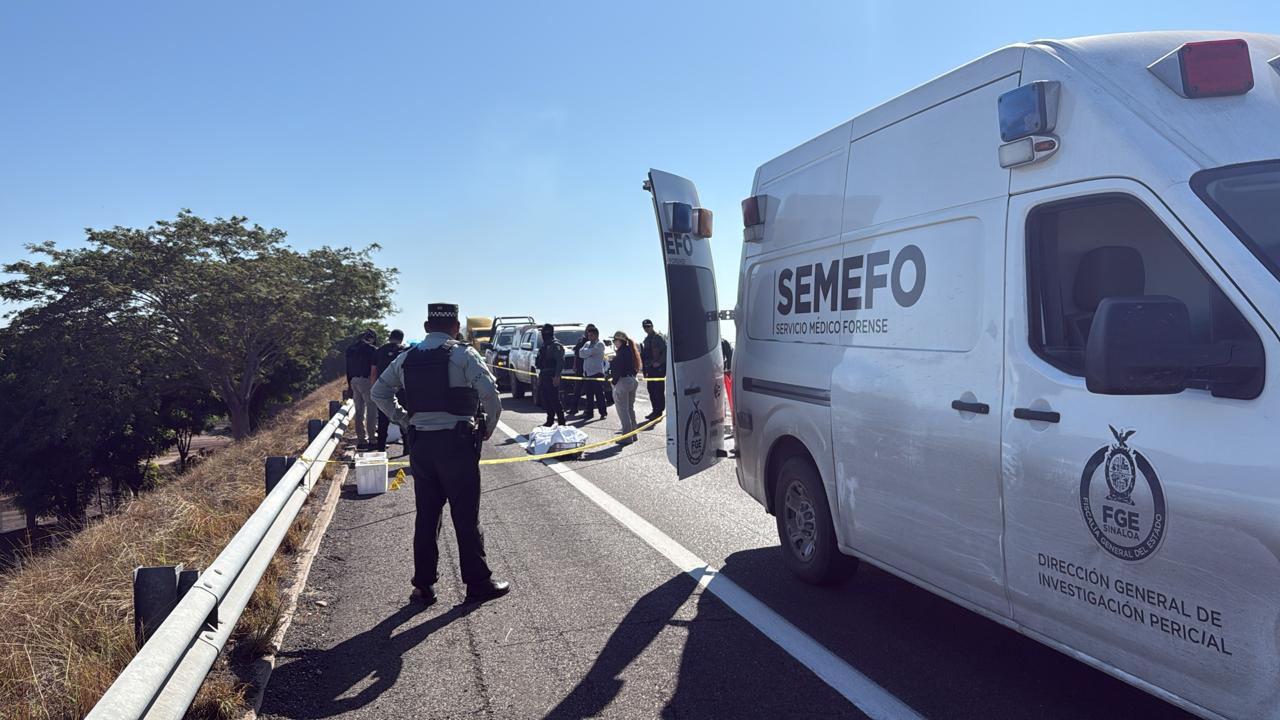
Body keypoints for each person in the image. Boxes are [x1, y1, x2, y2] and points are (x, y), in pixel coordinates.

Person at [371, 303, 510, 606]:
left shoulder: (407, 358)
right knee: (465, 515)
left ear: (426, 327)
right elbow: (490, 394)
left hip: (421, 446)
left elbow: (378, 393)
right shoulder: (463, 355)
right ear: (456, 328)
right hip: (456, 445)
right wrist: (488, 427)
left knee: (427, 515)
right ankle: (478, 583)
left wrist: (404, 419)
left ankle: (423, 586)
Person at [371, 329, 409, 452]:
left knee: (383, 419)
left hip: (383, 389)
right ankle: (407, 447)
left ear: (389, 337)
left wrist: (374, 388)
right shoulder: (405, 351)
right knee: (403, 417)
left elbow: (373, 371)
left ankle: (381, 448)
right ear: (401, 339)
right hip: (401, 389)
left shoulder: (379, 351)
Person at [345, 330, 379, 450]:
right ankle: (372, 439)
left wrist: (349, 386)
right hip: (367, 381)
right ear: (371, 338)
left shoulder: (350, 349)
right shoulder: (372, 349)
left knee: (359, 411)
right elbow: (374, 368)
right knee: (371, 410)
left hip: (354, 381)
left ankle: (361, 440)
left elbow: (348, 369)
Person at [610, 331, 641, 444]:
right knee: (630, 409)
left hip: (623, 381)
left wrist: (613, 382)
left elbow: (618, 369)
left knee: (623, 410)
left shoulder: (621, 353)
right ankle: (633, 434)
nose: (614, 342)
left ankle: (627, 436)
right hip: (632, 380)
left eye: (614, 340)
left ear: (620, 341)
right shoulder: (630, 351)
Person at [576, 324, 609, 422]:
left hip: (597, 373)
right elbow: (581, 353)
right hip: (587, 373)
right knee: (589, 395)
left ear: (596, 335)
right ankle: (589, 413)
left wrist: (587, 353)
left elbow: (590, 352)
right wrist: (588, 352)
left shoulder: (600, 344)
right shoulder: (587, 343)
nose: (589, 337)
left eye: (591, 335)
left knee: (599, 395)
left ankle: (603, 413)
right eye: (588, 335)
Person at [535, 324, 566, 426]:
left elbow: (560, 362)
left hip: (552, 375)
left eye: (544, 332)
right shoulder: (544, 346)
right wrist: (540, 376)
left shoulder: (556, 346)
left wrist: (557, 376)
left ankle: (561, 421)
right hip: (544, 375)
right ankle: (550, 420)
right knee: (546, 399)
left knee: (554, 399)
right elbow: (541, 363)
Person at [639, 319, 667, 420]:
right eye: (645, 327)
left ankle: (658, 411)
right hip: (650, 368)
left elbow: (666, 351)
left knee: (658, 390)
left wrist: (659, 362)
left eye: (648, 326)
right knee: (651, 390)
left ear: (652, 326)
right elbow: (645, 356)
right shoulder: (646, 340)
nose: (647, 328)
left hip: (658, 369)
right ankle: (655, 410)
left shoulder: (658, 337)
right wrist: (645, 369)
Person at [567, 332, 588, 416]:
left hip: (590, 369)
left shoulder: (595, 343)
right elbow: (576, 354)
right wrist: (574, 365)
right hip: (580, 368)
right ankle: (574, 408)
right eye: (588, 331)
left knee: (589, 391)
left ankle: (588, 410)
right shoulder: (581, 341)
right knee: (577, 390)